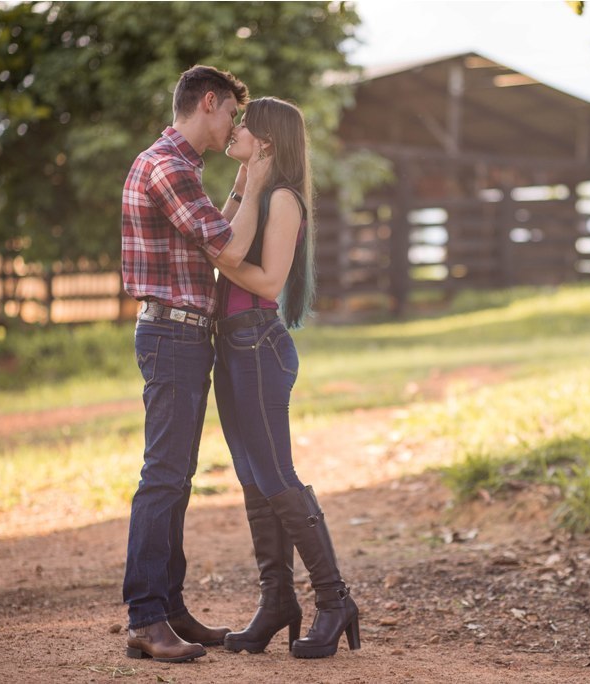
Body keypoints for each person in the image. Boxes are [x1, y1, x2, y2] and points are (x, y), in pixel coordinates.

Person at [120, 64, 273, 663]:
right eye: (232, 113)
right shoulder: (168, 169)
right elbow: (230, 248)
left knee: (175, 478)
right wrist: (257, 183)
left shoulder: (178, 166)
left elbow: (214, 233)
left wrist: (239, 179)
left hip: (180, 335)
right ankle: (145, 618)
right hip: (172, 336)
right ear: (208, 103)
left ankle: (168, 609)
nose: (235, 123)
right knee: (163, 477)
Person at [206, 96, 361, 660]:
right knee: (252, 480)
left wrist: (219, 260)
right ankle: (277, 603)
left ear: (268, 139)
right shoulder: (256, 191)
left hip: (258, 343)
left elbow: (268, 282)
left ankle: (334, 598)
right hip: (231, 344)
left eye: (246, 124)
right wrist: (246, 180)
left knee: (276, 476)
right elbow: (221, 235)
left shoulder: (285, 200)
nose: (235, 127)